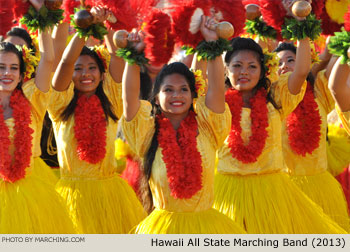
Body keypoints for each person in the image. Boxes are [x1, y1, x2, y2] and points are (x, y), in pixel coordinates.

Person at [121, 16, 245, 234]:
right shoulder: (147, 132)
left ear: (193, 95)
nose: (176, 95)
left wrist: (212, 43)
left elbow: (216, 86)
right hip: (163, 229)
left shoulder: (208, 128)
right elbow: (129, 99)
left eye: (183, 89)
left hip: (208, 229)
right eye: (168, 90)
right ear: (156, 98)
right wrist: (133, 55)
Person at [213, 37, 346, 233]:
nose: (244, 72)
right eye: (237, 65)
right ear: (226, 69)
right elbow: (207, 79)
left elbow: (301, 72)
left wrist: (302, 29)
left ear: (262, 71)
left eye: (252, 66)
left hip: (271, 192)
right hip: (231, 192)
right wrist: (212, 42)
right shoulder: (217, 105)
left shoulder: (275, 100)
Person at [49, 6, 146, 233]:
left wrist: (108, 24)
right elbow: (64, 61)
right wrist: (86, 30)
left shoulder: (112, 101)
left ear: (102, 74)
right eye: (79, 68)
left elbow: (115, 55)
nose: (85, 74)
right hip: (72, 196)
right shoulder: (59, 104)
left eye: (92, 68)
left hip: (110, 197)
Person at [0, 27, 74, 233]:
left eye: (14, 68)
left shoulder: (33, 99)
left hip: (33, 190)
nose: (7, 73)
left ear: (22, 73)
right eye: (1, 67)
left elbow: (48, 59)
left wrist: (43, 19)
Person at [274, 42, 350, 231]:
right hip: (284, 189)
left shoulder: (319, 94)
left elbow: (334, 76)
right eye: (278, 63)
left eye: (291, 60)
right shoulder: (272, 99)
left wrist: (338, 41)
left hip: (320, 185)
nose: (284, 65)